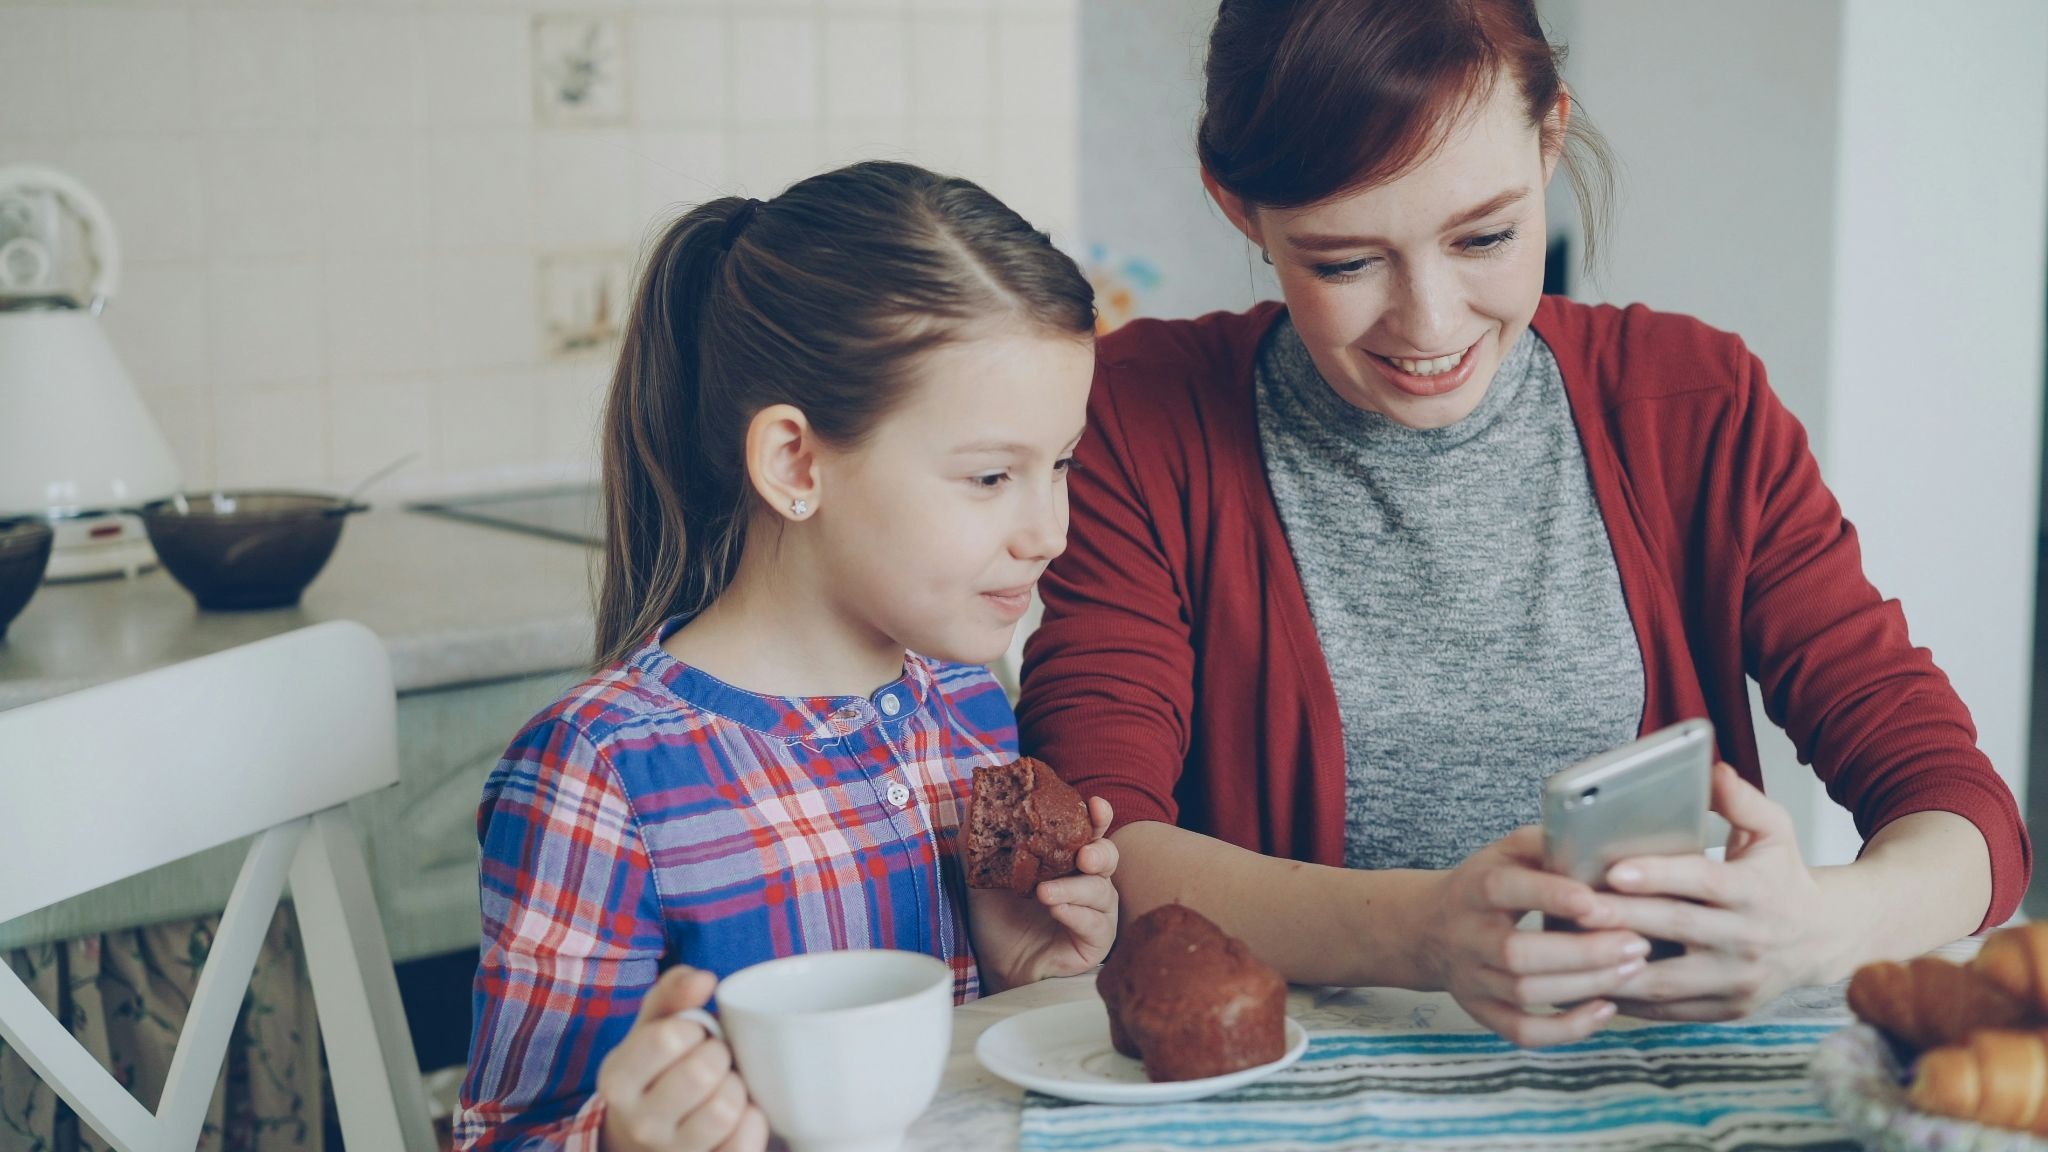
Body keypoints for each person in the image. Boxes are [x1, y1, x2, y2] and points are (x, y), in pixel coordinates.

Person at [1018, 0, 2029, 1048]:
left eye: (1485, 238)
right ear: (1236, 206)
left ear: (1550, 139)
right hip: (1294, 1091)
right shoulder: (1139, 416)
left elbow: (1960, 811)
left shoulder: (1697, 404)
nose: (1430, 323)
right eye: (1343, 263)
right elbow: (1100, 847)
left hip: (1655, 1081)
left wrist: (1820, 928)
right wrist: (1422, 932)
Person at [458, 161, 1118, 1150]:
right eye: (989, 475)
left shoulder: (969, 707)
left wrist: (1023, 984)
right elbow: (503, 1136)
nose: (1048, 530)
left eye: (1058, 464)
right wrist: (624, 1140)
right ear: (795, 464)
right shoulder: (601, 776)